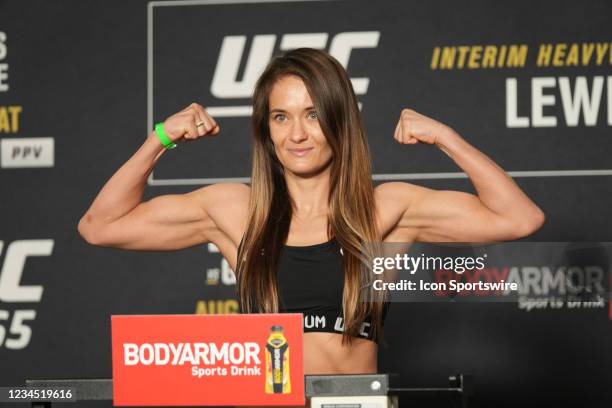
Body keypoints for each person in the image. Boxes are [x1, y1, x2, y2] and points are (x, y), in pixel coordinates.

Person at [78, 48, 544, 378]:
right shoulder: (235, 210)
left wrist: (445, 137)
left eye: (313, 114)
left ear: (339, 118)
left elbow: (519, 218)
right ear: (266, 130)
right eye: (281, 117)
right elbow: (100, 226)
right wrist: (160, 138)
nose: (296, 134)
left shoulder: (385, 210)